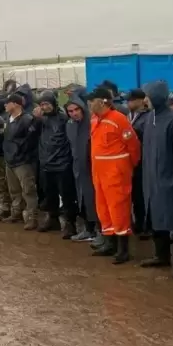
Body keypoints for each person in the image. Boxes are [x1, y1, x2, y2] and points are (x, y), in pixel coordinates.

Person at [140, 81, 173, 278]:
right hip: (153, 178)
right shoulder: (150, 118)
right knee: (156, 217)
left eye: (147, 96)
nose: (145, 100)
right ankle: (161, 255)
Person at [88, 87, 141, 263]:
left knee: (119, 209)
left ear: (103, 101)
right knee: (103, 208)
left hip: (115, 172)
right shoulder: (95, 119)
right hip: (100, 172)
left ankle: (123, 249)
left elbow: (133, 145)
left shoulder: (118, 119)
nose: (89, 104)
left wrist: (127, 167)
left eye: (92, 100)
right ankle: (109, 242)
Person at [34, 90, 78, 237]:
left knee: (66, 196)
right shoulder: (41, 120)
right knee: (49, 194)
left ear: (53, 103)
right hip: (46, 164)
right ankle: (52, 219)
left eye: (46, 104)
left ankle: (69, 223)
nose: (44, 107)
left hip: (62, 164)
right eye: (42, 104)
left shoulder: (63, 119)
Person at [64, 89, 100, 243]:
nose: (74, 113)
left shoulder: (92, 123)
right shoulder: (70, 126)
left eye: (76, 110)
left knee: (95, 201)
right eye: (70, 111)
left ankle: (100, 231)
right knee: (82, 200)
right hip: (78, 168)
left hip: (93, 169)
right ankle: (88, 229)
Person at [2, 94, 41, 229]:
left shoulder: (27, 119)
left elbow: (30, 141)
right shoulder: (8, 119)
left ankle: (32, 218)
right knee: (14, 190)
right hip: (10, 160)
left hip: (23, 161)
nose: (5, 105)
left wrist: (21, 152)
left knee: (28, 190)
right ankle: (16, 213)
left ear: (16, 104)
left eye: (8, 103)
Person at [127, 89, 152, 237]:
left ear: (140, 100)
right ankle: (139, 223)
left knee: (144, 195)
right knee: (136, 195)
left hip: (144, 161)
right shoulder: (131, 116)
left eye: (130, 100)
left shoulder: (147, 117)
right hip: (134, 162)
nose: (127, 103)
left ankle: (147, 226)